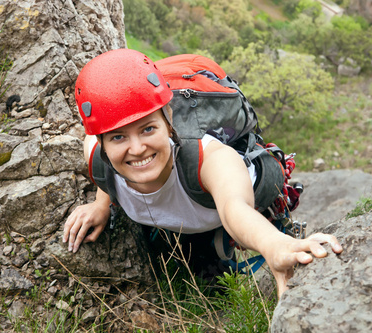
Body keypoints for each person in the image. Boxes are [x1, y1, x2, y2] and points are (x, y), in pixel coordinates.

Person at [63, 48, 343, 297]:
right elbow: (102, 159)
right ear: (101, 143)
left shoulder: (208, 159)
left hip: (216, 204)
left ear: (169, 120)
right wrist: (102, 204)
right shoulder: (95, 154)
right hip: (183, 211)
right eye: (118, 138)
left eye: (148, 129)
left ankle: (215, 241)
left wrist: (274, 245)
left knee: (212, 277)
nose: (137, 149)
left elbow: (235, 207)